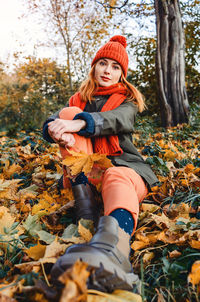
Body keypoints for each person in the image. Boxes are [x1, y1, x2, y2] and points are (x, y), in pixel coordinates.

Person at [43, 35, 158, 293]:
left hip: (125, 171)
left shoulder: (127, 101)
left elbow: (118, 120)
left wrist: (81, 123)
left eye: (115, 67)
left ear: (122, 74)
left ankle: (114, 248)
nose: (108, 70)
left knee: (115, 175)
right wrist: (56, 129)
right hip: (89, 174)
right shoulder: (79, 98)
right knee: (67, 114)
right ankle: (86, 211)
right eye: (103, 63)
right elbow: (56, 120)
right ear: (94, 66)